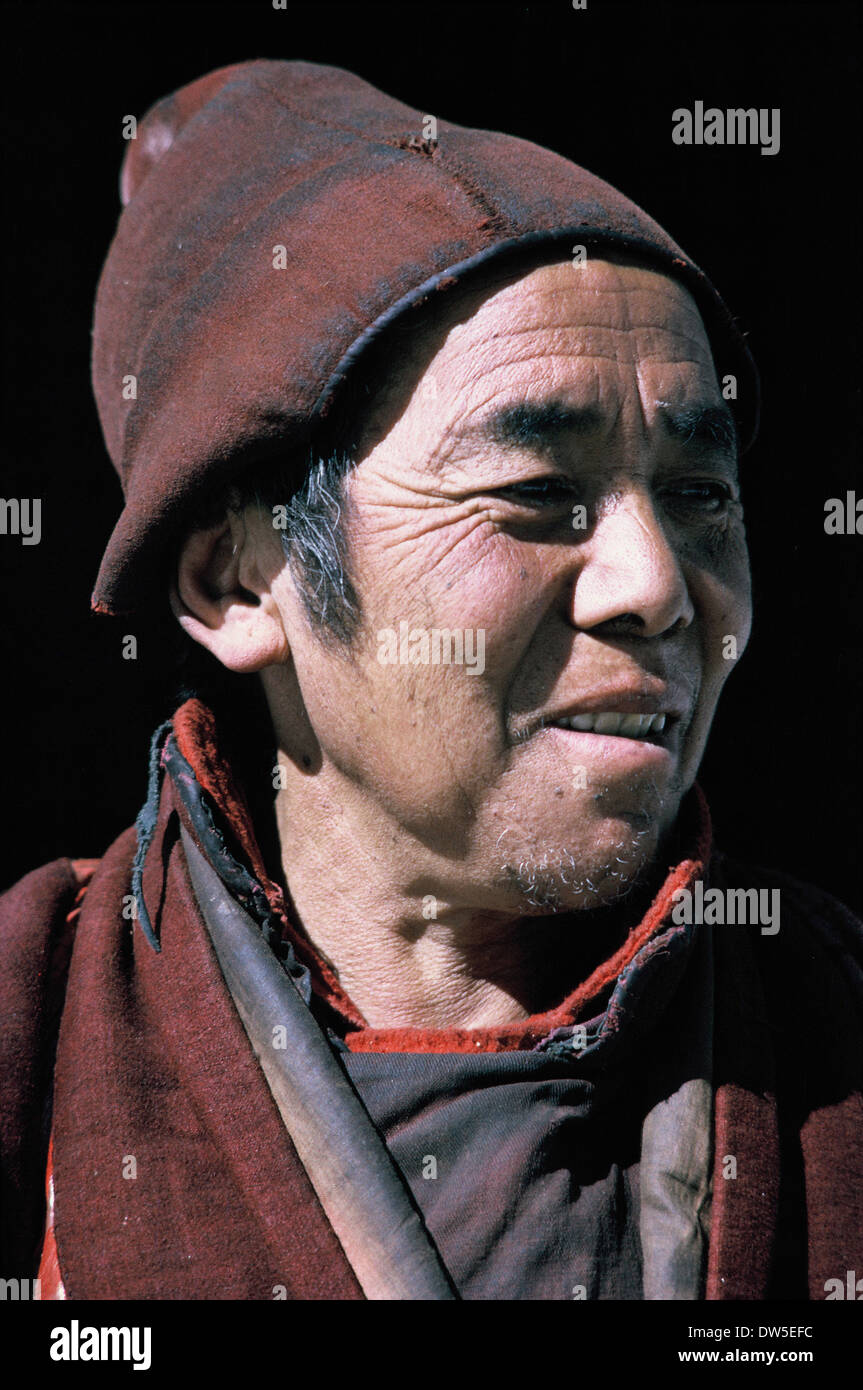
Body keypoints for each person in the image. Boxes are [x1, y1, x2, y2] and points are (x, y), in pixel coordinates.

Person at [1, 59, 860, 1302]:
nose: (657, 586)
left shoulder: (828, 1035)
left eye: (697, 495)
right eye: (533, 496)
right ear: (236, 584)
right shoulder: (37, 1026)